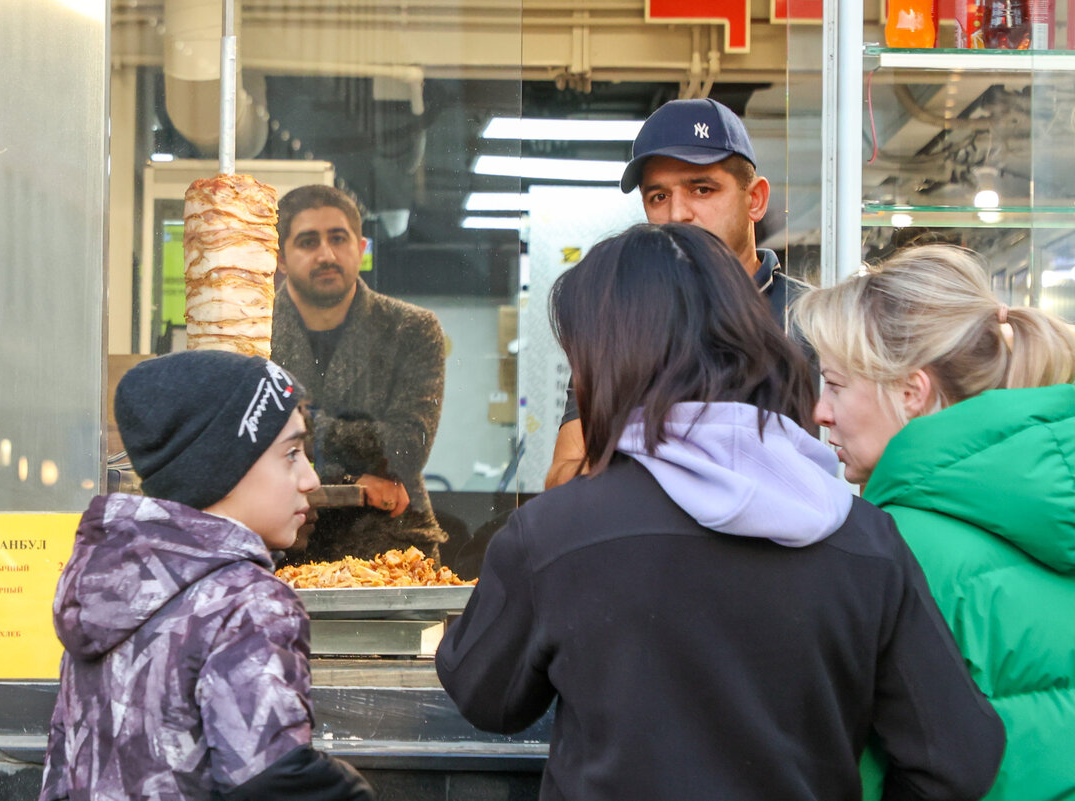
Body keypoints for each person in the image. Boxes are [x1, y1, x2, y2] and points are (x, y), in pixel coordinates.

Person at [436, 224, 1004, 801]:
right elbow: (959, 759)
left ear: (604, 363)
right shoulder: (864, 537)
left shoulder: (554, 534)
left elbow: (487, 697)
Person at [794, 243, 1075, 801]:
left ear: (910, 392)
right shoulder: (1048, 503)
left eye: (836, 384)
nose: (819, 411)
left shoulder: (890, 549)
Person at [39, 350, 373, 801]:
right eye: (292, 453)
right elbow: (272, 781)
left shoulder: (104, 583)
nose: (311, 479)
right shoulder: (246, 601)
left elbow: (64, 767)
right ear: (223, 468)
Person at [546, 97, 809, 488]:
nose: (677, 215)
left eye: (702, 189)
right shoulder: (625, 323)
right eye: (659, 197)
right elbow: (564, 479)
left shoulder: (810, 320)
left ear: (754, 200)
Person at [270, 184, 446, 563]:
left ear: (361, 248)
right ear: (280, 257)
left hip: (390, 546)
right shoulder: (253, 333)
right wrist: (353, 482)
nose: (326, 255)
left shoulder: (411, 329)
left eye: (338, 239)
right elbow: (246, 455)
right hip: (279, 545)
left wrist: (309, 428)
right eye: (307, 242)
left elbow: (406, 447)